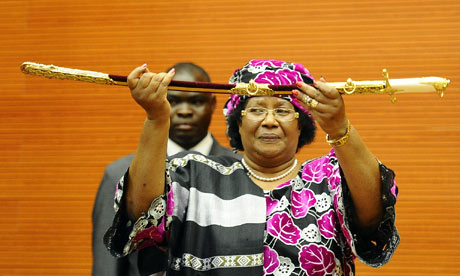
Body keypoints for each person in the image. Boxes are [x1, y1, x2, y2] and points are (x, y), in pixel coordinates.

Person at [104, 59, 400, 275]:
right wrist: (156, 119)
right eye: (256, 109)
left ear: (303, 126)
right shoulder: (192, 175)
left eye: (284, 111)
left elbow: (373, 215)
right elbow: (141, 216)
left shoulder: (328, 178)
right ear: (238, 124)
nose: (269, 121)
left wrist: (339, 127)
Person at [92, 62, 239, 276]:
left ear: (213, 104)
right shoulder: (120, 172)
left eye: (196, 101)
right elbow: (107, 264)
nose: (185, 111)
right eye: (173, 101)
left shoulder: (239, 169)